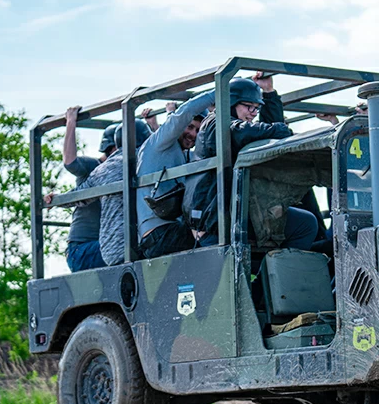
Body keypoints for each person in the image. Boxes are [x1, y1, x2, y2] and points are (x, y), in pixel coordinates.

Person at [183, 74, 315, 249]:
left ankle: (274, 273)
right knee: (305, 225)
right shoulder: (215, 123)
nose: (253, 112)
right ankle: (279, 273)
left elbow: (267, 141)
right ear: (230, 103)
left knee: (305, 223)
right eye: (248, 106)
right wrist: (283, 129)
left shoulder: (230, 126)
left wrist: (268, 92)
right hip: (216, 220)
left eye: (256, 108)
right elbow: (244, 131)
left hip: (231, 214)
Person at [47, 120, 153, 267]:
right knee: (127, 244)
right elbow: (70, 163)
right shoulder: (96, 166)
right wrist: (71, 121)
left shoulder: (115, 167)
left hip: (102, 244)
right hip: (84, 248)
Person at [136, 90, 215, 258]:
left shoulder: (183, 154)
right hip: (159, 234)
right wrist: (220, 92)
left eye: (198, 131)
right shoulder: (161, 143)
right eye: (190, 127)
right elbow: (184, 113)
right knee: (217, 240)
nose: (193, 134)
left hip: (170, 231)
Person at [61, 106, 110, 271]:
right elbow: (70, 161)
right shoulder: (93, 166)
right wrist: (71, 122)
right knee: (127, 247)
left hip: (99, 246)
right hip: (81, 250)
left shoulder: (120, 171)